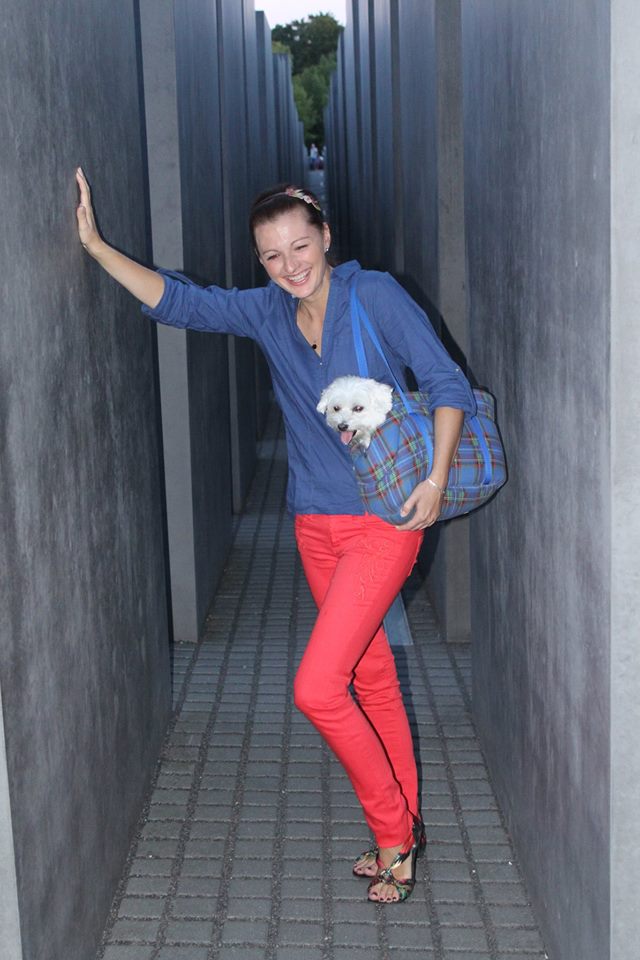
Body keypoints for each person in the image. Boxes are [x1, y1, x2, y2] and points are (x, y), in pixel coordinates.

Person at [75, 169, 476, 903]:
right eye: (272, 255)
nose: (290, 265)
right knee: (370, 676)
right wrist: (98, 247)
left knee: (317, 688)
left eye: (300, 245)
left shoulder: (374, 295)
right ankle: (405, 822)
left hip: (386, 518)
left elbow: (447, 382)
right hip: (314, 524)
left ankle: (394, 833)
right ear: (260, 261)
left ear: (325, 236)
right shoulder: (266, 312)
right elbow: (182, 302)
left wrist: (437, 479)